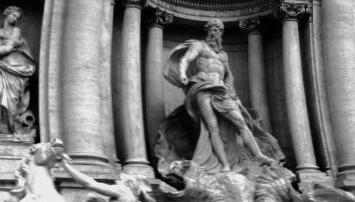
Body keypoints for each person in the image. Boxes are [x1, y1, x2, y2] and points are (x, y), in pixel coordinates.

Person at [164, 19, 276, 174]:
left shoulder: (223, 55)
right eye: (212, 29)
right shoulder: (199, 45)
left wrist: (232, 91)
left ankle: (258, 155)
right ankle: (225, 165)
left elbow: (229, 75)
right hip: (203, 87)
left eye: (218, 30)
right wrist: (183, 73)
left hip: (222, 91)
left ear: (221, 33)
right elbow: (186, 59)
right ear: (207, 30)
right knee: (212, 128)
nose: (214, 32)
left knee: (240, 122)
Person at [60, 154, 156, 202]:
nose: (117, 182)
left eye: (121, 181)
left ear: (129, 183)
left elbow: (90, 184)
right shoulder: (132, 199)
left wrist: (66, 167)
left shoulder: (124, 191)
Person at [0, 6, 36, 134]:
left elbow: (9, 48)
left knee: (11, 99)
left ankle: (8, 127)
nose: (15, 18)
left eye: (17, 17)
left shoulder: (16, 31)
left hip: (14, 68)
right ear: (7, 14)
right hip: (1, 67)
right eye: (13, 15)